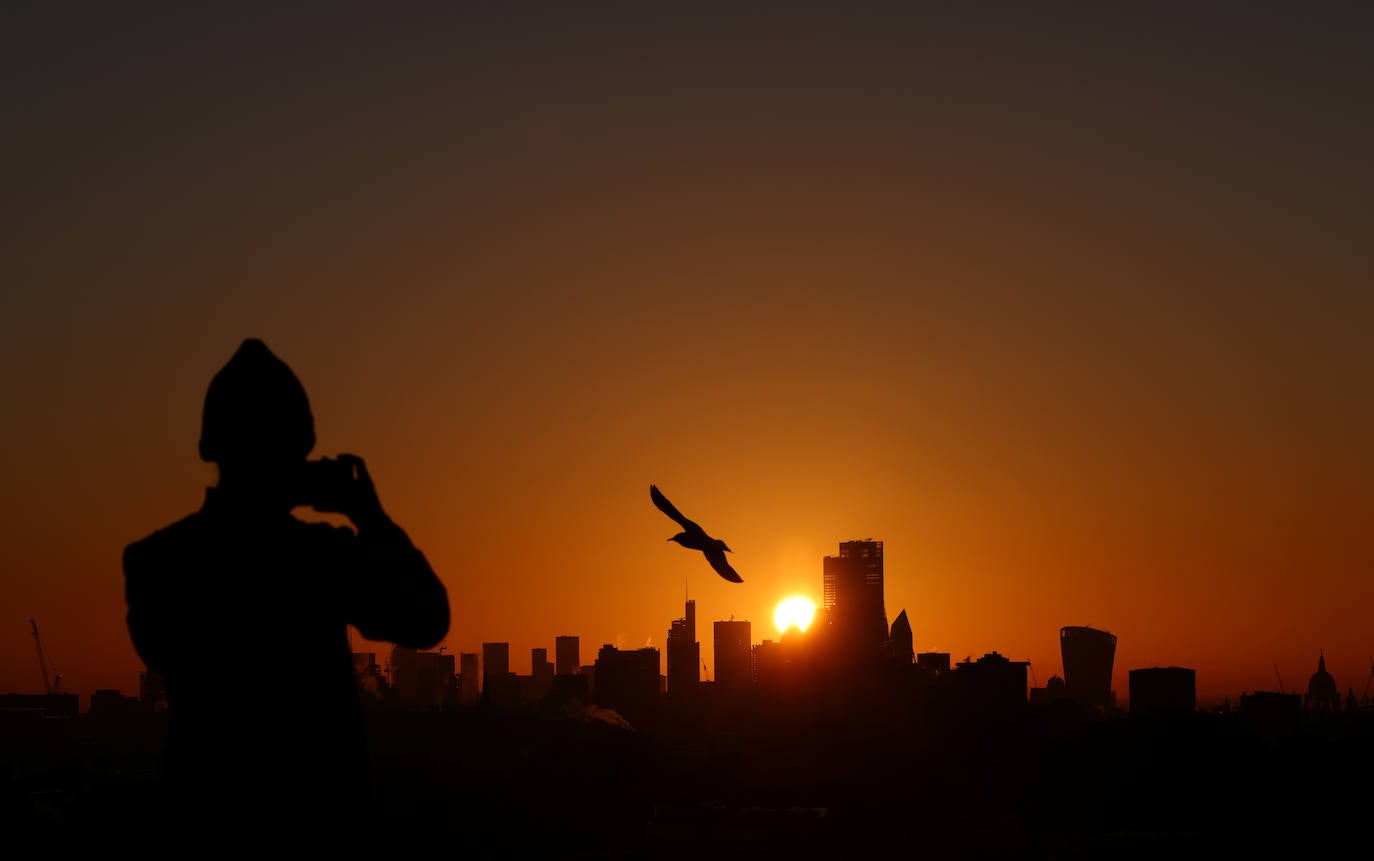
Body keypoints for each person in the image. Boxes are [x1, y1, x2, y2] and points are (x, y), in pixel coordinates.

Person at [123, 338, 449, 850]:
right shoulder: (322, 559)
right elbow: (427, 619)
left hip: (206, 828)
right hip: (318, 832)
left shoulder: (157, 561)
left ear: (210, 447)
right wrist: (370, 516)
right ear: (300, 450)